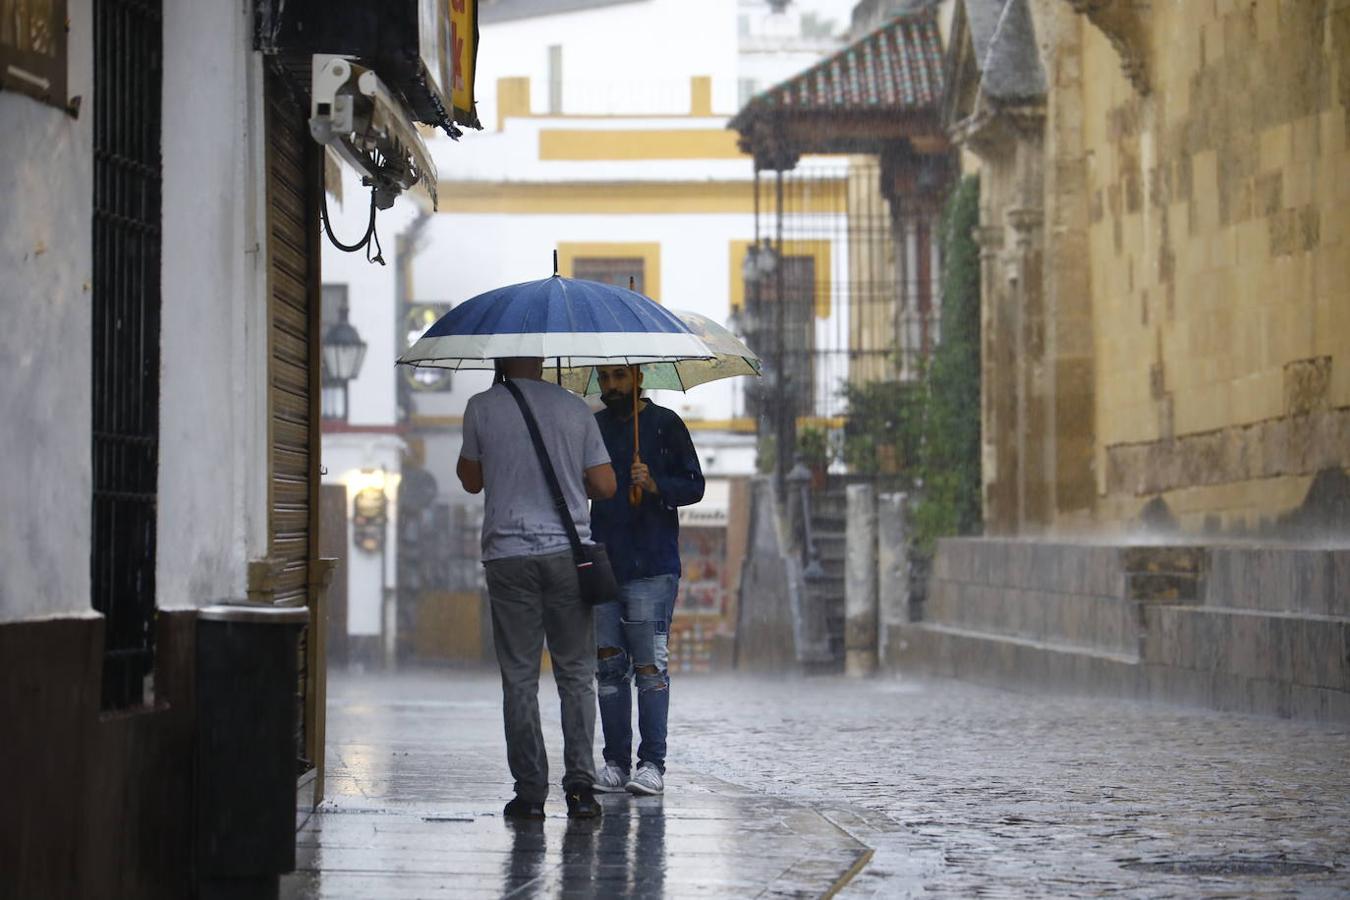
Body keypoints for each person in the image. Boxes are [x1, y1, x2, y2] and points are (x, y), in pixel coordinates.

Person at [457, 357, 617, 820]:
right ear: (543, 360)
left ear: (500, 359)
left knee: (520, 678)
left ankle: (530, 794)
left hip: (508, 557)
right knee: (575, 675)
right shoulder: (575, 409)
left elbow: (470, 481)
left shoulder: (480, 406)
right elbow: (604, 485)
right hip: (568, 557)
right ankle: (581, 789)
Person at [588, 364, 705, 796]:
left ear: (637, 376)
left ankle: (652, 763)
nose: (612, 387)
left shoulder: (665, 425)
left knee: (650, 667)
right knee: (608, 667)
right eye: (604, 379)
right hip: (603, 562)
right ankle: (615, 763)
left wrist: (655, 483)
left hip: (652, 567)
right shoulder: (593, 427)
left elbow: (694, 485)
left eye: (619, 377)